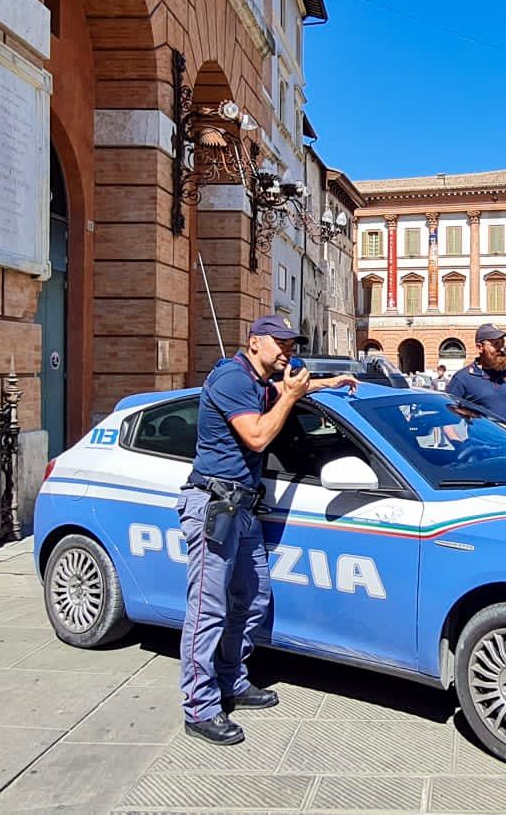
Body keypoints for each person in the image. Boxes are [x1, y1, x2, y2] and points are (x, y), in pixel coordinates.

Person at [178, 315, 357, 746]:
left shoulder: (258, 382)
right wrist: (291, 395)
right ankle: (199, 708)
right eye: (279, 343)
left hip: (242, 506)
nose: (287, 350)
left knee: (253, 596)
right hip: (214, 506)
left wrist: (326, 384)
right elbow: (257, 436)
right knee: (208, 609)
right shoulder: (231, 379)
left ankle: (231, 680)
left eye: (290, 343)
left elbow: (282, 392)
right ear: (255, 342)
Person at [445, 323, 506, 434]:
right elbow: (448, 416)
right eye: (496, 344)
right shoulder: (463, 378)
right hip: (482, 448)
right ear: (479, 347)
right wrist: (457, 444)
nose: (501, 349)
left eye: (503, 344)